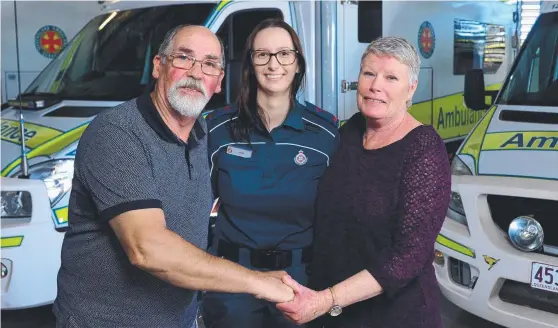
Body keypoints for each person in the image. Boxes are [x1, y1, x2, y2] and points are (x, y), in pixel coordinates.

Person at [52, 24, 293, 328]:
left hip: (180, 319)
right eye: (184, 58)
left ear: (218, 81)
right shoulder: (117, 133)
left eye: (209, 64)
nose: (195, 72)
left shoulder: (203, 133)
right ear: (158, 66)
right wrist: (258, 282)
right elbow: (147, 248)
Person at [276, 36, 452, 327]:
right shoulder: (348, 132)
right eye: (368, 73)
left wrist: (326, 299)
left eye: (391, 77)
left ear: (411, 88)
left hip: (396, 316)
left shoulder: (423, 149)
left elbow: (408, 256)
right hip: (335, 311)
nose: (375, 86)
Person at [202, 18, 340, 328]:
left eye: (284, 54)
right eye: (262, 54)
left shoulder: (325, 134)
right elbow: (193, 208)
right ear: (250, 63)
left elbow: (337, 216)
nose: (273, 63)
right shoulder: (217, 130)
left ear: (297, 63)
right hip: (231, 282)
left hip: (300, 283)